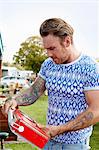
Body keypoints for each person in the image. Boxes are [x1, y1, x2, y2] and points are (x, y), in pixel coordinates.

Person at [2, 18, 99, 150]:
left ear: (67, 41)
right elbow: (34, 91)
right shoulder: (48, 65)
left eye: (52, 48)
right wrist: (15, 100)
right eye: (46, 49)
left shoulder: (90, 68)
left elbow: (96, 110)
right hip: (47, 140)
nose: (48, 54)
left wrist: (59, 129)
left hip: (75, 145)